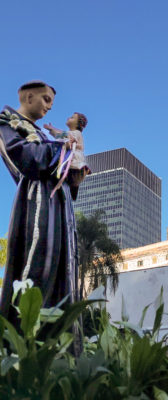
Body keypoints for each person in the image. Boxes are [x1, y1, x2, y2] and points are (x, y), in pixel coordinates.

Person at [0, 81, 85, 328]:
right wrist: (63, 150)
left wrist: (75, 176)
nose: (49, 106)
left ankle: (59, 347)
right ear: (28, 97)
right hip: (36, 205)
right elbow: (27, 161)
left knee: (63, 277)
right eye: (46, 99)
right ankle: (21, 343)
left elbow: (59, 166)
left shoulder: (44, 135)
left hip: (61, 206)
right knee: (38, 269)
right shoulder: (6, 125)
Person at [44, 112, 91, 198]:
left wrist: (52, 129)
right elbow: (61, 135)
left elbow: (79, 145)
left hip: (74, 162)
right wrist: (52, 129)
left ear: (78, 124)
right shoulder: (70, 133)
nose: (69, 118)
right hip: (68, 161)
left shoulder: (77, 133)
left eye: (72, 118)